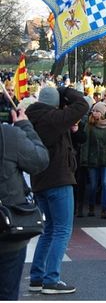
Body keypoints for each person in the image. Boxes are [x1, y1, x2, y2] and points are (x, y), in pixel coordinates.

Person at [26, 86, 89, 294]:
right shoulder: (54, 118)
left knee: (49, 230)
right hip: (59, 178)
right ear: (56, 103)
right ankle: (51, 279)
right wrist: (65, 90)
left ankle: (37, 277)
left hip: (39, 180)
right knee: (62, 230)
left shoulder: (30, 118)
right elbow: (82, 104)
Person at [0, 108, 49, 300]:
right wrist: (25, 126)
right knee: (7, 292)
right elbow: (39, 160)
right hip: (7, 228)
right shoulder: (8, 134)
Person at [80, 102, 106, 219]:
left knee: (105, 183)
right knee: (93, 185)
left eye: (97, 111)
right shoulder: (89, 124)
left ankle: (105, 209)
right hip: (92, 158)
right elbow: (85, 143)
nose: (94, 113)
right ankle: (92, 206)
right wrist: (84, 159)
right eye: (93, 111)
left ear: (103, 113)